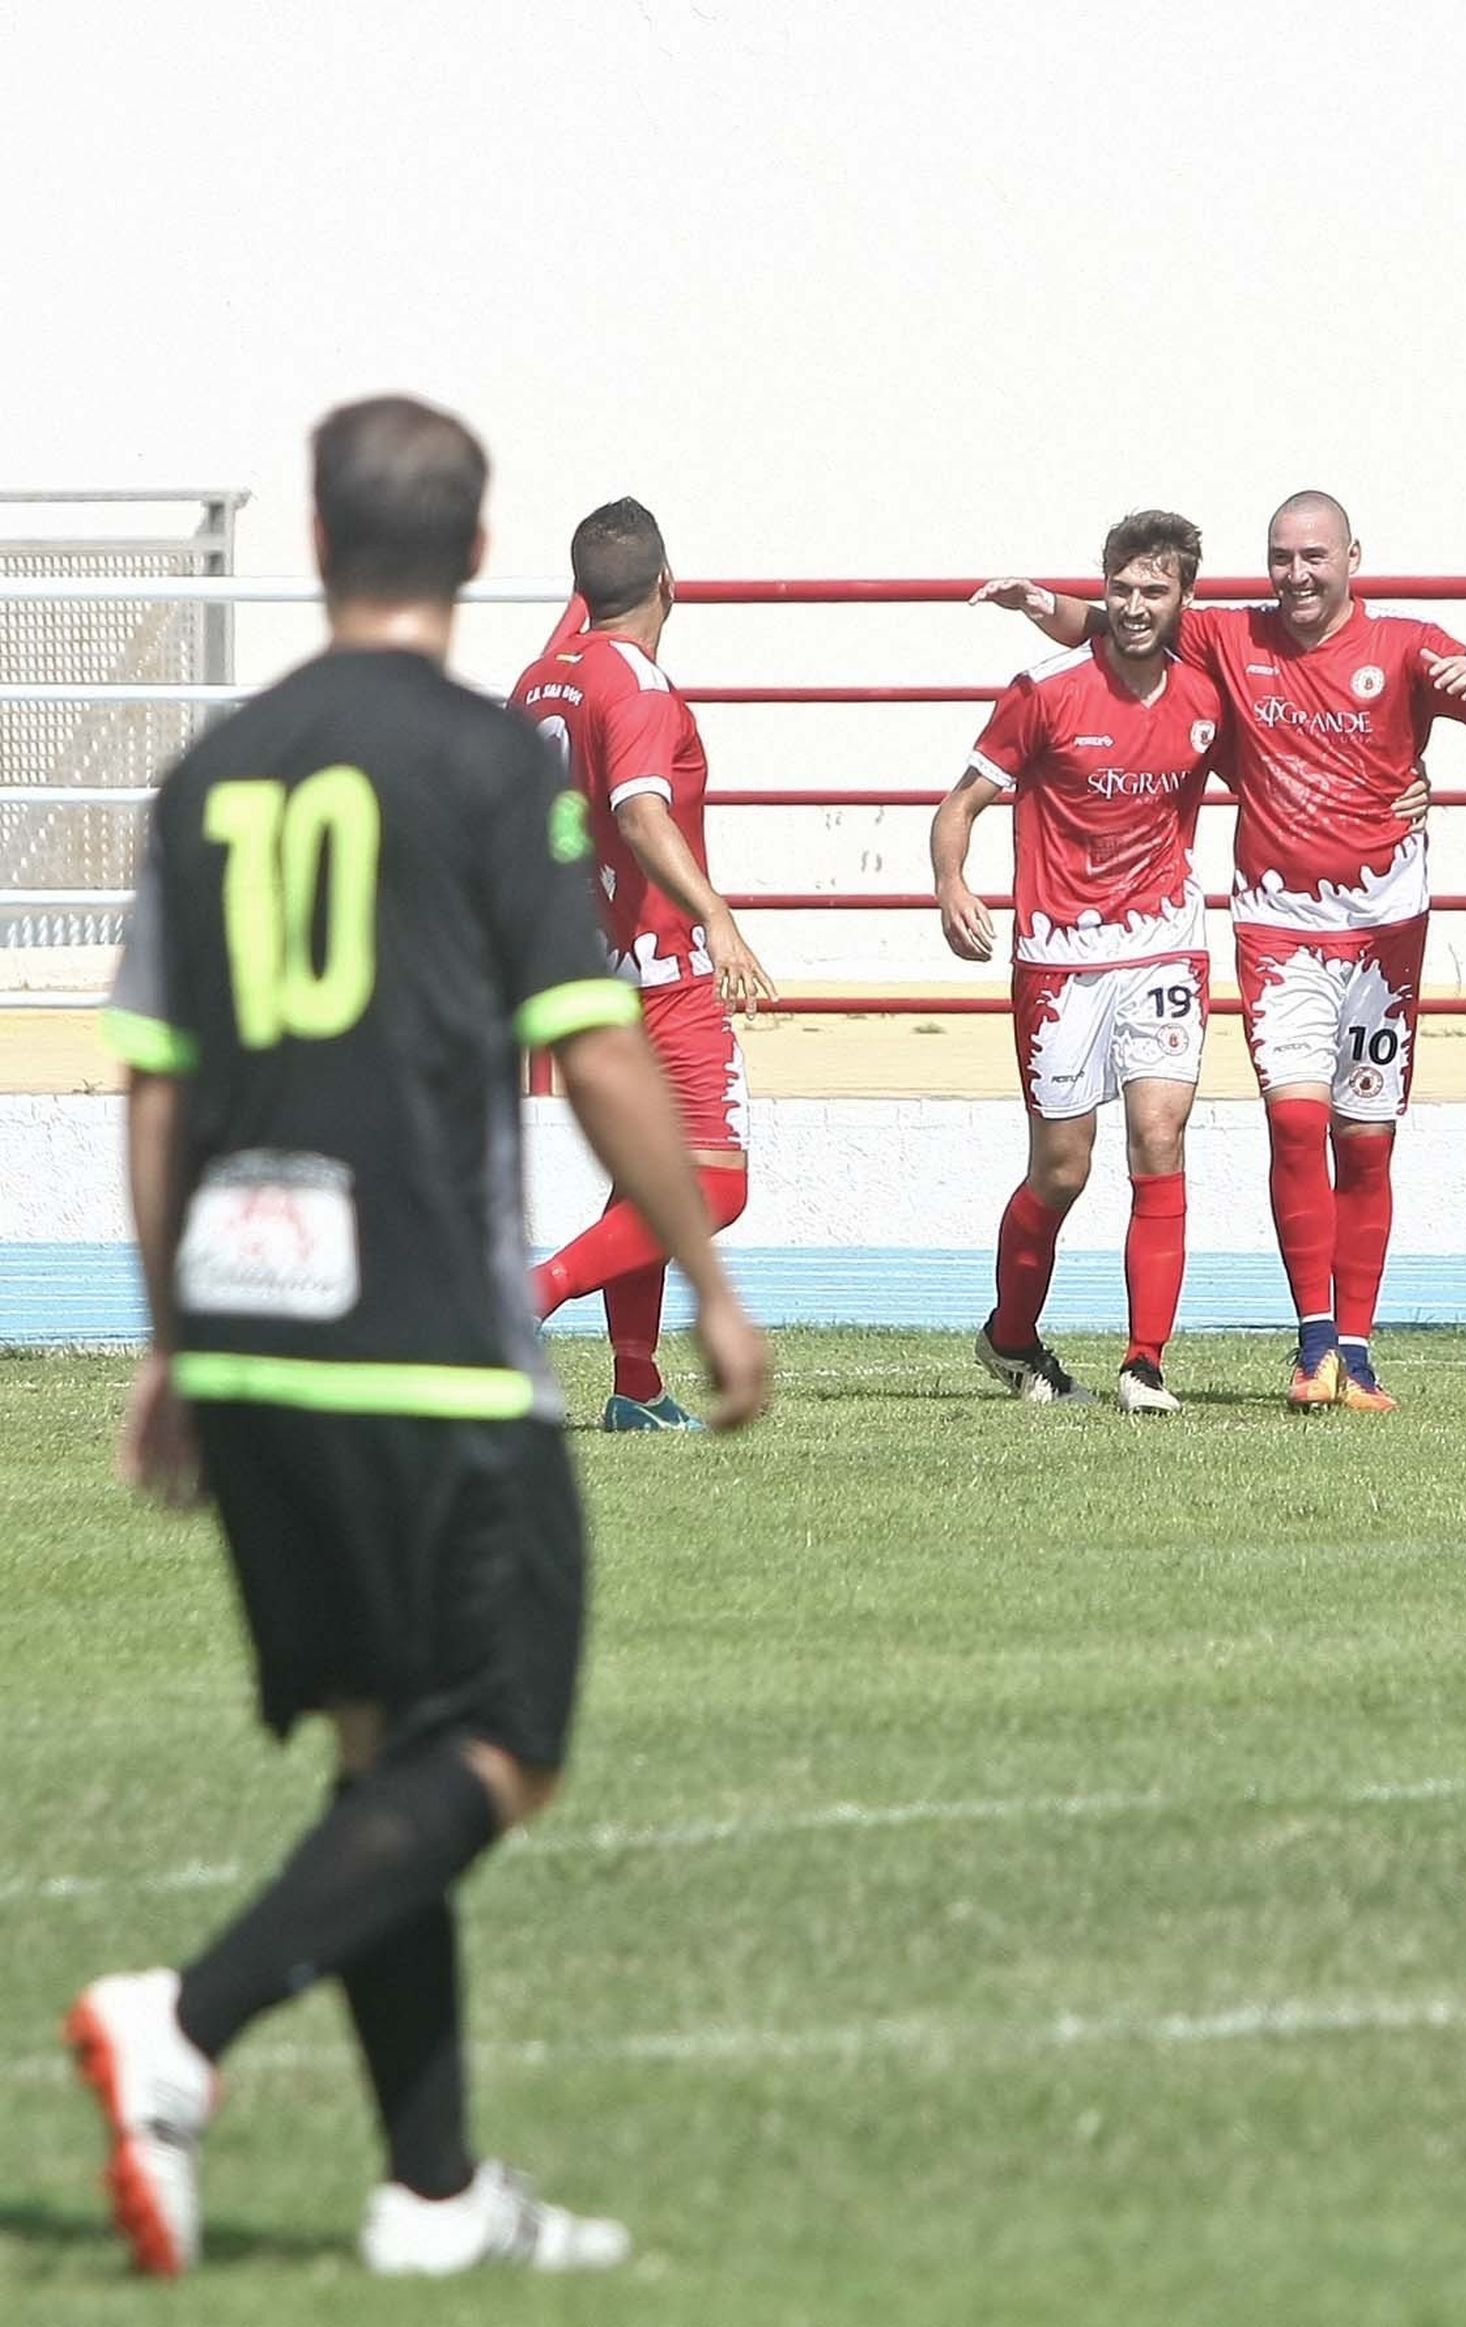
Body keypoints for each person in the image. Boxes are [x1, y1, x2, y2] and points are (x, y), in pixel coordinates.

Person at [64, 396, 769, 2281]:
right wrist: (704, 1276)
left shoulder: (215, 765)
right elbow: (599, 1034)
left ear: (316, 529)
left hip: (251, 1327)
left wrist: (167, 1341)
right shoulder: (479, 762)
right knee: (508, 1744)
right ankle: (186, 2019)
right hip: (429, 1342)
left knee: (386, 1753)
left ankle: (436, 2190)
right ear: (474, 555)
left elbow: (151, 1087)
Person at [976, 492, 1466, 1410]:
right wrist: (1041, 604)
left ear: (1354, 554)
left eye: (1315, 556)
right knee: (1293, 1124)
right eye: (1282, 557)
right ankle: (1311, 1345)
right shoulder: (1231, 639)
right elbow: (1124, 624)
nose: (1298, 574)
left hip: (1386, 932)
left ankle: (1355, 1353)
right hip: (1279, 930)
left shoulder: (1404, 645)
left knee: (1365, 1141)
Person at [934, 510, 1224, 1414]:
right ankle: (1010, 1340)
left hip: (1166, 940)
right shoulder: (1044, 689)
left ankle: (1145, 1362)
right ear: (1105, 589)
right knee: (1062, 1169)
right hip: (1059, 957)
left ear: (1184, 598)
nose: (1136, 607)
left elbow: (1290, 768)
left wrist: (1395, 787)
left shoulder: (1209, 694)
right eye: (1122, 589)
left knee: (1160, 1138)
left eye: (1155, 590)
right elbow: (959, 805)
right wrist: (952, 886)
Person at [508, 498, 776, 1431]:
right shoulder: (640, 685)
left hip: (582, 971)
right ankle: (532, 1292)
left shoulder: (541, 678)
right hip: (659, 970)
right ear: (670, 582)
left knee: (640, 1177)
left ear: (581, 588)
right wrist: (719, 916)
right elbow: (638, 810)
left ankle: (636, 1385)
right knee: (714, 1182)